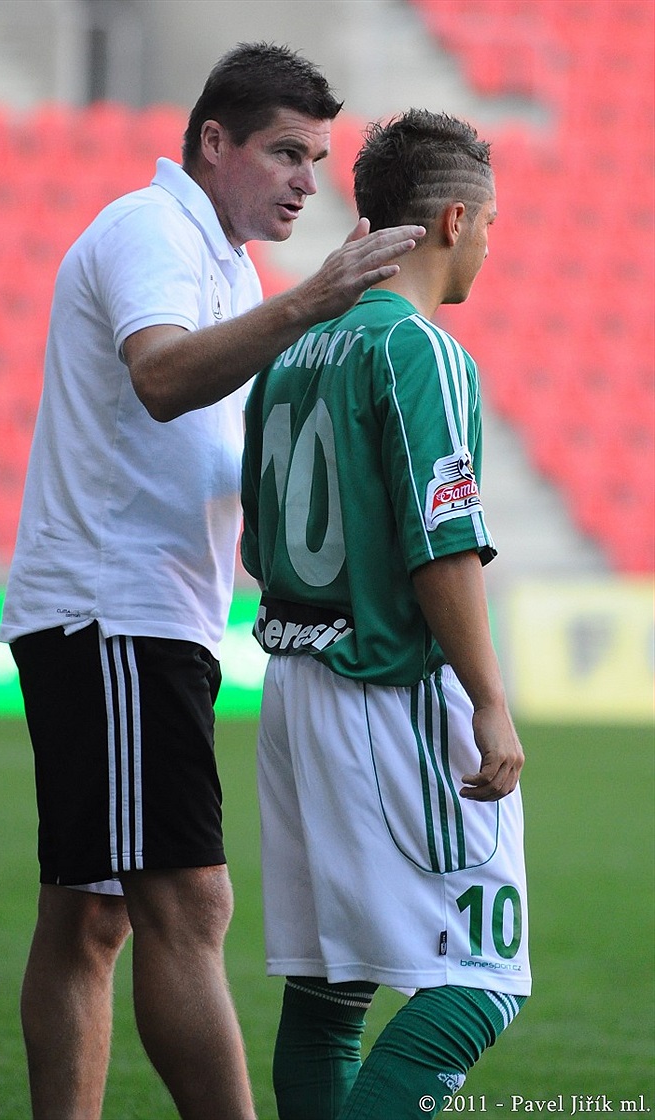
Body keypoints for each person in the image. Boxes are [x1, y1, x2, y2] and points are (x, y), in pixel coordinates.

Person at [0, 42, 426, 1120]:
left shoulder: (227, 266)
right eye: (286, 152)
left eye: (319, 160)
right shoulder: (156, 229)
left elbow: (211, 454)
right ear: (212, 142)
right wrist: (315, 301)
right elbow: (157, 377)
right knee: (190, 899)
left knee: (89, 917)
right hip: (116, 613)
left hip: (145, 613)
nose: (305, 182)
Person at [240, 108, 531, 1120]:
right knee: (481, 980)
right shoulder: (422, 351)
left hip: (296, 686)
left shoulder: (292, 348)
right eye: (492, 223)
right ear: (453, 219)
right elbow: (441, 541)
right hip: (386, 689)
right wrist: (489, 701)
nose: (493, 244)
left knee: (329, 989)